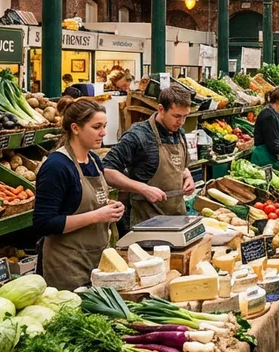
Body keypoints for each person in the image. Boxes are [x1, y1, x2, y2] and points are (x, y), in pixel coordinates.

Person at [34, 97, 125, 290]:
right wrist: (97, 215)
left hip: (97, 261)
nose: (103, 133)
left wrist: (109, 206)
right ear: (75, 128)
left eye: (104, 126)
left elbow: (81, 201)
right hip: (67, 266)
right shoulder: (57, 166)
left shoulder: (93, 159)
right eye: (96, 127)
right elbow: (44, 223)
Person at [103, 83, 195, 227]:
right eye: (176, 116)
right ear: (161, 109)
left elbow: (180, 166)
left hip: (177, 219)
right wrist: (143, 188)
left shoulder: (179, 134)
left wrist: (188, 177)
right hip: (146, 222)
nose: (181, 122)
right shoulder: (138, 136)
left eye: (185, 116)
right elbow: (107, 170)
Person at [251, 87, 279, 166]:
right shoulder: (268, 117)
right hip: (264, 160)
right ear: (278, 101)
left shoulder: (275, 114)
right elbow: (274, 144)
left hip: (271, 158)